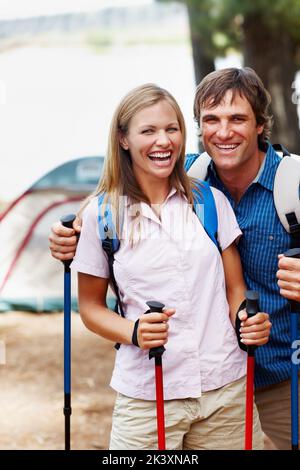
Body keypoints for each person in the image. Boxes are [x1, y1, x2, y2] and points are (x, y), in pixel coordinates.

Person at [52, 83, 270, 450]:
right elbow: (90, 309)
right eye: (148, 131)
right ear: (123, 139)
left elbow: (234, 290)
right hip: (146, 398)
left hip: (226, 391)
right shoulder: (103, 214)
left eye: (172, 129)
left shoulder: (208, 201)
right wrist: (134, 331)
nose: (163, 141)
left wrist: (246, 318)